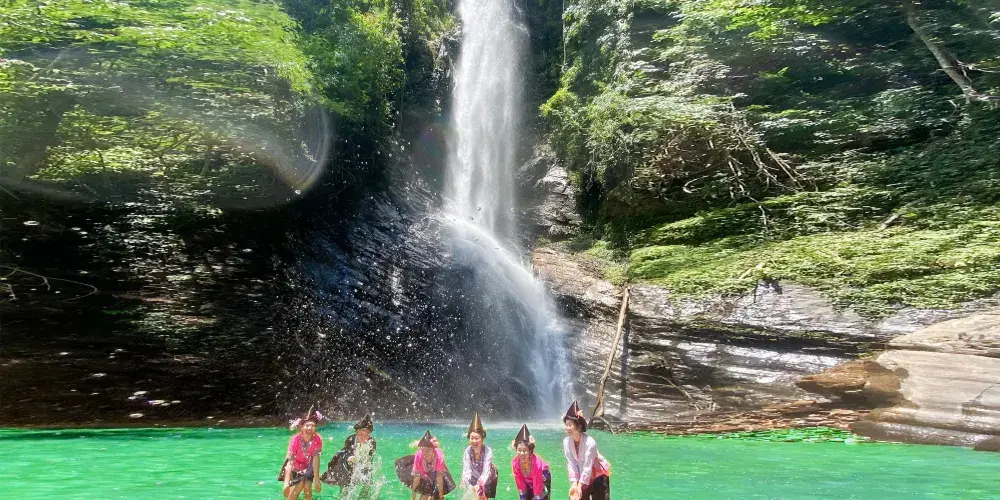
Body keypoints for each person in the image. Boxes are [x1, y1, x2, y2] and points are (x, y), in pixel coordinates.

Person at [561, 401, 611, 500]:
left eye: (570, 424)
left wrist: (579, 486)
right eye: (566, 425)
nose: (567, 428)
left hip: (598, 476)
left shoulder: (590, 443)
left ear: (579, 426)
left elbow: (588, 467)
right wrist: (574, 484)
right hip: (582, 475)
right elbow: (571, 463)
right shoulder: (566, 442)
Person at [277, 406, 326, 500]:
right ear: (301, 427)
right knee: (295, 490)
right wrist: (286, 483)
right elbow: (289, 462)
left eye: (313, 426)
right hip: (294, 466)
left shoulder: (317, 439)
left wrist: (317, 479)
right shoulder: (295, 440)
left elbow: (316, 459)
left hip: (309, 465)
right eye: (307, 425)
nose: (310, 428)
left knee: (307, 486)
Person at [394, 430, 456, 499]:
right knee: (425, 493)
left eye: (429, 450)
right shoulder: (419, 456)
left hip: (438, 473)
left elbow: (439, 478)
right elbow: (416, 478)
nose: (426, 453)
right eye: (423, 450)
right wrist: (413, 497)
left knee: (437, 494)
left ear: (433, 450)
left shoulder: (439, 457)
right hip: (423, 473)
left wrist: (441, 496)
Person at [322, 414, 377, 487]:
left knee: (368, 483)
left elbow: (370, 459)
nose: (363, 437)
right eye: (361, 434)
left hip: (361, 463)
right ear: (356, 432)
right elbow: (347, 453)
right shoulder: (350, 439)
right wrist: (350, 458)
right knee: (346, 483)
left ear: (369, 433)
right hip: (345, 461)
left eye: (366, 435)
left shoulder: (372, 442)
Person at [461, 412, 498, 499]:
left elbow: (486, 470)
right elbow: (467, 470)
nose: (474, 441)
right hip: (472, 477)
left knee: (482, 495)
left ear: (482, 438)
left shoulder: (487, 451)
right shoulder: (468, 451)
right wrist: (470, 483)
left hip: (487, 477)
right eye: (472, 438)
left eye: (477, 438)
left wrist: (479, 485)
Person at [511, 424, 551, 500]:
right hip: (527, 480)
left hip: (542, 477)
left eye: (525, 450)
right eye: (519, 450)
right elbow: (520, 483)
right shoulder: (515, 463)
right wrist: (523, 497)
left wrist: (538, 497)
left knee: (541, 497)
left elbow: (537, 484)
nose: (522, 453)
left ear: (530, 451)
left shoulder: (536, 464)